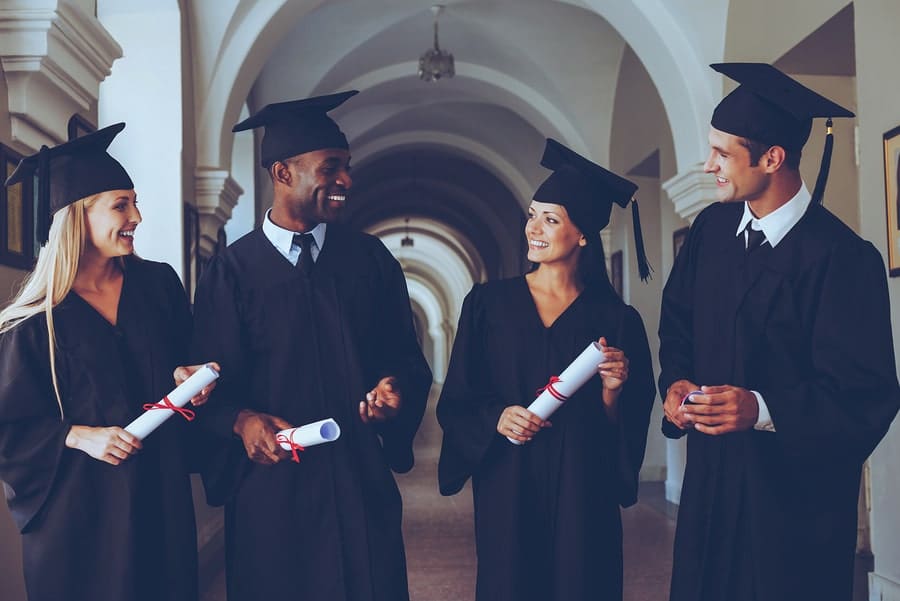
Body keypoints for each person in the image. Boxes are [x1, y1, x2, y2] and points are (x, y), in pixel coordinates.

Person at [659, 63, 900, 601]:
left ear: (772, 158)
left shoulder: (843, 259)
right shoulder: (710, 233)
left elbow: (867, 395)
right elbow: (676, 326)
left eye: (723, 153)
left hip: (793, 510)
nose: (709, 165)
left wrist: (763, 410)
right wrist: (675, 384)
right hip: (712, 492)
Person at [191, 91, 432, 601]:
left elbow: (407, 360)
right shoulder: (230, 273)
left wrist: (394, 390)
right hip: (272, 491)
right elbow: (207, 387)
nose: (346, 180)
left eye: (347, 167)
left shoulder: (369, 261)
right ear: (283, 174)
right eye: (331, 168)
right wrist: (241, 421)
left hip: (358, 479)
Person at [0, 123, 215, 601]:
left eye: (134, 202)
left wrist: (189, 377)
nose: (137, 215)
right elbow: (9, 425)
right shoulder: (35, 322)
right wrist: (78, 435)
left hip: (158, 497)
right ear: (77, 217)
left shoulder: (158, 287)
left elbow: (184, 362)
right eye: (121, 204)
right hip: (77, 516)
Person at [437, 138, 656, 601]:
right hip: (507, 487)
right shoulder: (487, 305)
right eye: (533, 214)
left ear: (582, 235)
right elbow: (457, 399)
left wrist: (613, 393)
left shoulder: (617, 321)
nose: (533, 228)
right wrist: (496, 417)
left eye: (550, 219)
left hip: (584, 490)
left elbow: (626, 428)